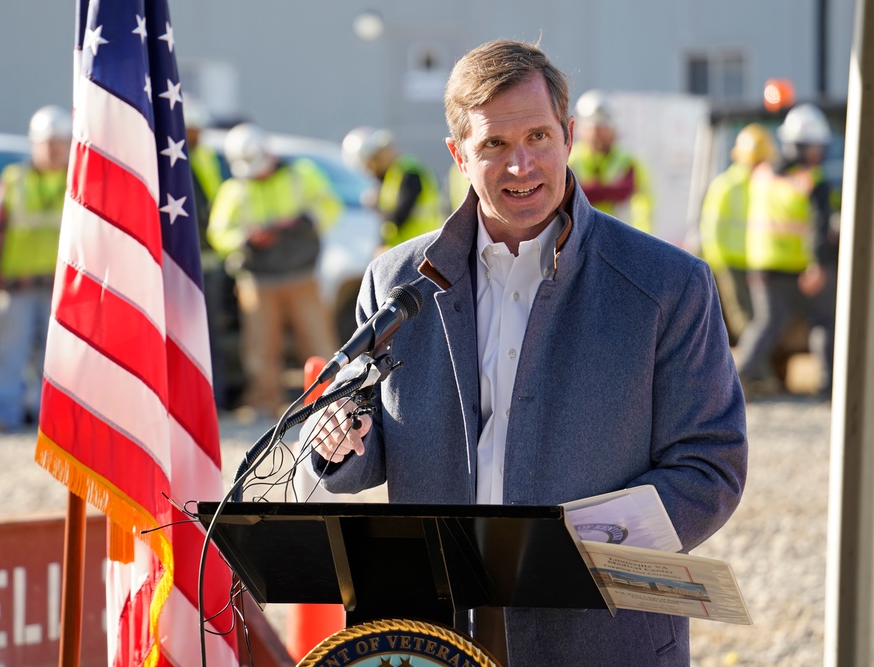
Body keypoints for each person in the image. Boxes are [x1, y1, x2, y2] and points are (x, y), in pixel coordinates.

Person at [304, 39, 747, 665]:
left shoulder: (669, 284)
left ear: (568, 135)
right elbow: (364, 449)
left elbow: (710, 466)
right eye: (494, 145)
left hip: (601, 637)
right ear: (458, 154)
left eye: (538, 137)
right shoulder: (392, 281)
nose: (522, 166)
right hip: (434, 635)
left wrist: (571, 554)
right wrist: (333, 441)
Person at [208, 123, 341, 417]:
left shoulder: (301, 175)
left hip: (301, 274)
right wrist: (245, 239)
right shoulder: (234, 190)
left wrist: (301, 221)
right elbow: (218, 232)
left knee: (317, 339)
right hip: (258, 279)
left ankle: (332, 397)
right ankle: (264, 401)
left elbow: (330, 207)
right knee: (260, 347)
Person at [0, 104, 71, 431]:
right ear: (34, 144)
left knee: (56, 358)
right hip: (15, 284)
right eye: (48, 143)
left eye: (60, 142)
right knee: (9, 354)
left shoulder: (78, 179)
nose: (55, 150)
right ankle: (6, 416)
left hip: (63, 288)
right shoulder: (13, 180)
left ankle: (51, 421)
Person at [733, 103, 837, 398]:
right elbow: (819, 227)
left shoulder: (763, 174)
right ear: (808, 147)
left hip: (762, 264)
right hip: (800, 268)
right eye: (816, 146)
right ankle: (828, 386)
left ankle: (731, 383)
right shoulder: (813, 181)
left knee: (766, 325)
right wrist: (818, 264)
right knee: (825, 321)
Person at [698, 123, 778, 344]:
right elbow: (710, 228)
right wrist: (718, 263)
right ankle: (752, 374)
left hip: (755, 263)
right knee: (743, 321)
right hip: (730, 263)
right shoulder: (725, 186)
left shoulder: (764, 186)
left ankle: (757, 373)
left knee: (759, 321)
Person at [183, 99, 234, 410]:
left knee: (208, 333)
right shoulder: (171, 161)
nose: (197, 136)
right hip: (183, 264)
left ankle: (214, 398)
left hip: (209, 262)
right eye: (192, 131)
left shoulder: (204, 158)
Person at [341, 126, 443, 248]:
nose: (371, 171)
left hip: (421, 247)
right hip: (407, 248)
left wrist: (376, 208)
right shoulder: (391, 175)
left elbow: (399, 216)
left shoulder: (409, 171)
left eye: (371, 164)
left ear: (377, 155)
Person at [568, 89, 654, 233]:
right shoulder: (570, 161)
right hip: (579, 239)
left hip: (622, 239)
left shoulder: (628, 161)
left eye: (602, 128)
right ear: (580, 129)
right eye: (592, 129)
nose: (597, 135)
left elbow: (643, 205)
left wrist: (641, 241)